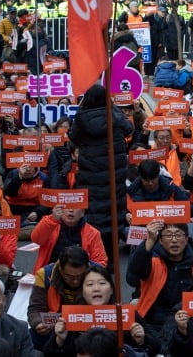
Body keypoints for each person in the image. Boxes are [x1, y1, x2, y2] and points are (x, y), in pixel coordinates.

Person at [69, 85, 133, 266]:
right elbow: (129, 129)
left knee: (95, 214)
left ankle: (96, 255)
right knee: (113, 212)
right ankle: (111, 259)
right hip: (114, 173)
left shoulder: (81, 118)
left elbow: (73, 137)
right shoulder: (114, 115)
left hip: (91, 173)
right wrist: (112, 108)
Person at [44, 266, 160, 357]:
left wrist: (142, 340)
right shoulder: (71, 316)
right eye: (90, 284)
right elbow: (48, 353)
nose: (96, 289)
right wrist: (60, 340)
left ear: (111, 290)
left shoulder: (125, 314)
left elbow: (156, 346)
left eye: (102, 283)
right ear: (82, 291)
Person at [127, 220, 193, 338]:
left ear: (186, 239)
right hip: (153, 322)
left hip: (185, 320)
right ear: (160, 241)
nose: (174, 240)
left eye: (178, 234)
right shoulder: (153, 262)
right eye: (168, 235)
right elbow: (133, 274)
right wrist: (149, 241)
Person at [28, 246, 92, 350]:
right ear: (60, 269)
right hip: (56, 327)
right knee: (31, 337)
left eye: (80, 276)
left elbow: (111, 306)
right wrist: (38, 323)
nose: (75, 281)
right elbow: (35, 308)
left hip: (87, 326)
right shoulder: (44, 275)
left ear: (87, 268)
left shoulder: (97, 274)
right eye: (70, 277)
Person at [30, 204, 108, 273]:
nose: (71, 210)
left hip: (79, 276)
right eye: (67, 206)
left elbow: (100, 263)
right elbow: (36, 239)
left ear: (82, 212)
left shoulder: (93, 233)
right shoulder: (50, 224)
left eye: (75, 206)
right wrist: (52, 219)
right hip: (50, 274)